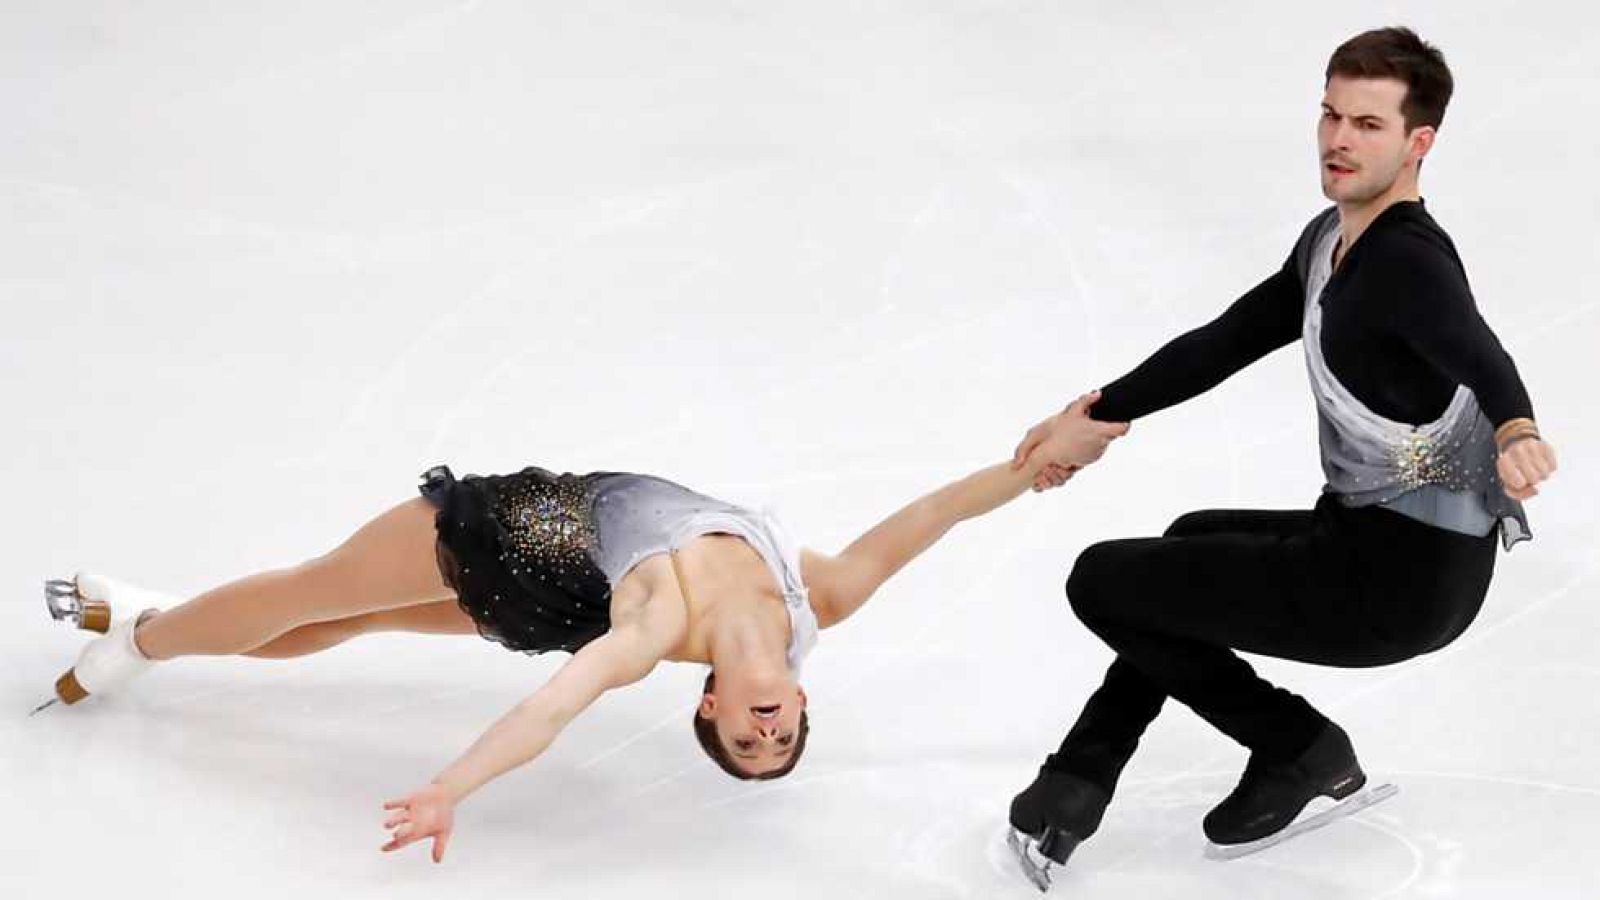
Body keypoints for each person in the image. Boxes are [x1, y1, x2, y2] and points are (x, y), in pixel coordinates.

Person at [38, 394, 1128, 864]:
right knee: (333, 614)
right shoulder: (822, 598)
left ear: (709, 705)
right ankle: (147, 611)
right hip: (558, 571)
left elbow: (551, 707)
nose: (763, 733)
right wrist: (1040, 460)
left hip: (515, 549)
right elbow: (936, 515)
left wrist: (451, 788)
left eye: (744, 744)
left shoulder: (658, 625)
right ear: (796, 700)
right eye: (779, 737)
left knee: (316, 596)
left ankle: (135, 640)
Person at [1004, 25, 1560, 881]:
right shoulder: (1330, 243)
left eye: (1368, 125)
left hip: (1401, 587)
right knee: (1186, 540)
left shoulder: (1407, 261)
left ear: (1419, 142)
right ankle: (1085, 785)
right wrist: (1095, 417)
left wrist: (1517, 427)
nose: (1339, 139)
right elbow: (1225, 340)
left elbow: (1479, 352)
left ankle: (1291, 746)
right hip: (1363, 539)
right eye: (1331, 115)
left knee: (1101, 579)